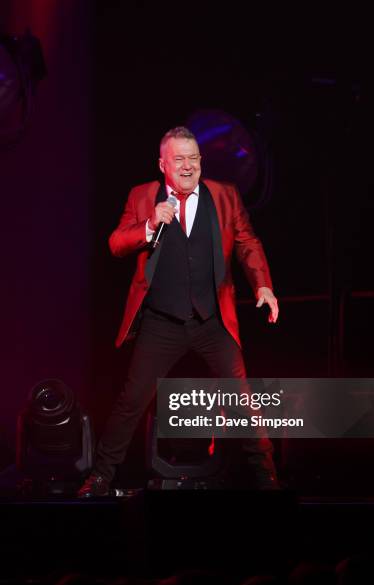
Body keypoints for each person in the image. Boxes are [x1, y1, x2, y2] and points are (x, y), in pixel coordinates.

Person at [78, 126, 279, 497]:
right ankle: (100, 478)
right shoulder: (142, 197)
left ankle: (267, 480)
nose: (188, 166)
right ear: (163, 164)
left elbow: (247, 242)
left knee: (243, 401)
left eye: (194, 158)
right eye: (179, 159)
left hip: (212, 320)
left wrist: (262, 285)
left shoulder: (225, 196)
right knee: (131, 401)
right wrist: (151, 224)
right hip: (162, 321)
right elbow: (116, 243)